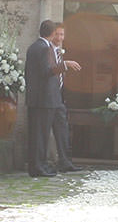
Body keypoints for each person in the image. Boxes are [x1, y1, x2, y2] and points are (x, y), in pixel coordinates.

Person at [23, 21, 77, 177]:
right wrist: (64, 65)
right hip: (43, 98)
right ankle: (38, 167)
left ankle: (40, 165)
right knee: (40, 136)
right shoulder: (43, 48)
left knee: (40, 135)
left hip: (42, 98)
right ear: (53, 33)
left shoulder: (36, 46)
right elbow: (46, 71)